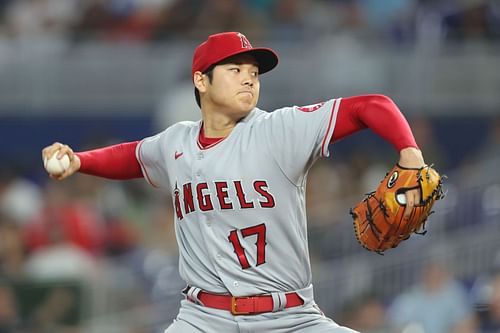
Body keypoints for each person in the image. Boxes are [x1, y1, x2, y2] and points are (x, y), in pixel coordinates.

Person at [42, 31, 427, 333]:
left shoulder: (280, 129)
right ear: (201, 80)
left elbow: (372, 106)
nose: (249, 79)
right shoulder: (176, 141)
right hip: (203, 319)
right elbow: (132, 156)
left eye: (254, 73)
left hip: (290, 318)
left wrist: (410, 153)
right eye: (235, 70)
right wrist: (80, 160)